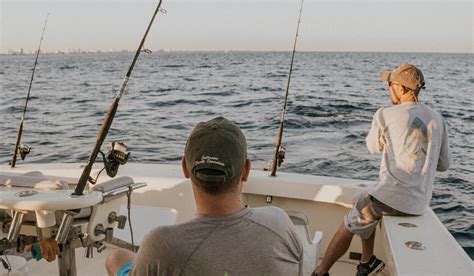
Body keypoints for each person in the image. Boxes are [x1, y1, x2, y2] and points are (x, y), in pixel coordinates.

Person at [106, 116, 303, 276]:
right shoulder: (280, 223)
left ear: (185, 168)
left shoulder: (161, 244)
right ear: (246, 170)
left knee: (115, 258)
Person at [314, 64, 451, 276]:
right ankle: (367, 262)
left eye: (390, 84)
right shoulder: (438, 118)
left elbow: (372, 148)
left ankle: (320, 272)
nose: (387, 88)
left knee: (348, 223)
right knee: (361, 199)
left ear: (403, 89)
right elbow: (443, 165)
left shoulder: (384, 114)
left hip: (393, 199)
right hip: (419, 203)